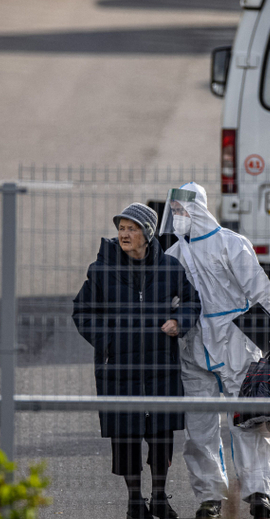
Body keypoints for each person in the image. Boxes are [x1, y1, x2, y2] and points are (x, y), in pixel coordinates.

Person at [159, 183, 270, 519]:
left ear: (199, 209)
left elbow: (258, 287)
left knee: (248, 420)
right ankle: (210, 497)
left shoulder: (230, 244)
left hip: (235, 341)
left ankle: (259, 492)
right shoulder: (174, 254)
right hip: (193, 344)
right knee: (199, 426)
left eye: (183, 211)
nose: (179, 217)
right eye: (174, 212)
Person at [73, 202, 201, 519]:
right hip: (118, 368)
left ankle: (159, 497)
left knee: (161, 437)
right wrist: (109, 340)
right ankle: (134, 502)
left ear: (148, 233)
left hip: (161, 367)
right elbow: (82, 312)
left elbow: (192, 301)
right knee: (126, 437)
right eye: (121, 228)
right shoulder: (102, 270)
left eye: (132, 228)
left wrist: (179, 322)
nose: (125, 234)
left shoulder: (170, 269)